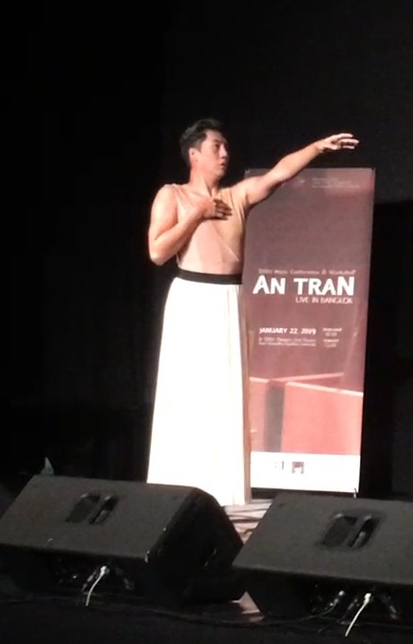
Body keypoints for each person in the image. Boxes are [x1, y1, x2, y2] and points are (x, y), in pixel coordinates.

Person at [146, 118, 358, 506]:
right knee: (188, 393)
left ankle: (221, 490)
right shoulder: (172, 195)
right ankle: (175, 486)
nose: (225, 153)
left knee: (226, 395)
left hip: (229, 297)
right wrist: (196, 213)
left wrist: (317, 147)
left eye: (226, 146)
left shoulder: (237, 196)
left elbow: (279, 173)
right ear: (194, 154)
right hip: (192, 297)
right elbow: (158, 252)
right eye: (216, 147)